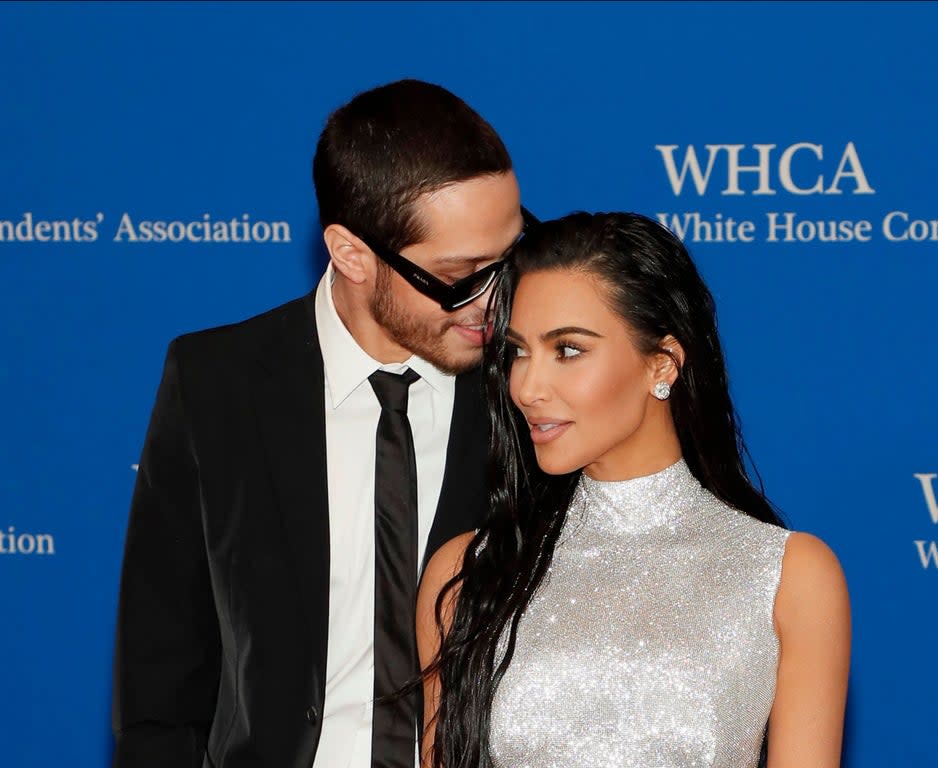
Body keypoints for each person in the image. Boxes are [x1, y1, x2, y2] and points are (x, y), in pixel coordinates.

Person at [112, 79, 528, 768]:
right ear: (353, 254)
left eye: (506, 259)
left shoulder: (529, 386)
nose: (492, 298)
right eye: (459, 274)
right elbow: (161, 671)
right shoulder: (217, 381)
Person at [417, 212, 852, 768]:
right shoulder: (467, 574)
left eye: (568, 349)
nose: (526, 385)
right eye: (518, 351)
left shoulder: (786, 576)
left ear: (662, 364)